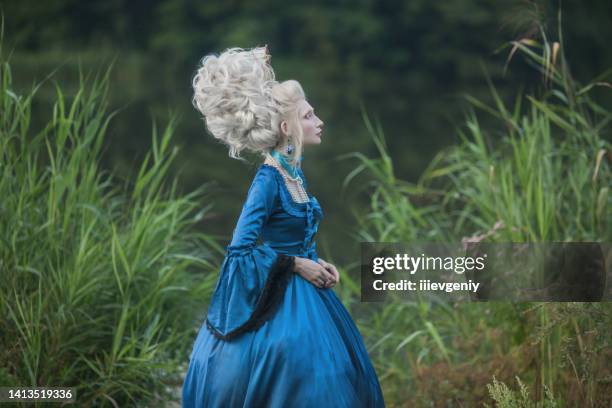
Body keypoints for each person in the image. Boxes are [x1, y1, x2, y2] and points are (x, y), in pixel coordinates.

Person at [182, 46, 386, 407]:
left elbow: (295, 236)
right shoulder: (267, 181)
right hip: (283, 300)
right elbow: (239, 251)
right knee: (307, 380)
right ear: (286, 127)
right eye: (309, 116)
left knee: (336, 376)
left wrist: (318, 262)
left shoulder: (293, 174)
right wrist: (295, 264)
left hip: (311, 295)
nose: (318, 121)